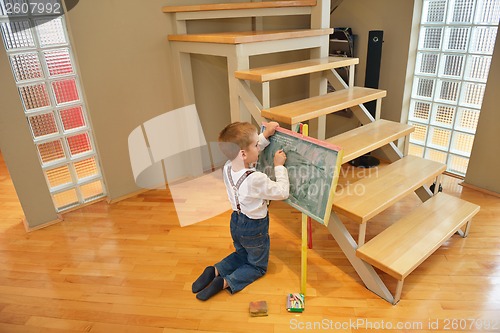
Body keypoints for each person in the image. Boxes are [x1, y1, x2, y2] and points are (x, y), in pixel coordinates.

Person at [192, 121, 289, 301]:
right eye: (256, 145)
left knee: (241, 253)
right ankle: (224, 282)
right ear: (244, 153)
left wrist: (266, 134)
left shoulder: (228, 167)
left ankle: (215, 270)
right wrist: (279, 166)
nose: (258, 147)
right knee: (257, 266)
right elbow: (282, 192)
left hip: (236, 222)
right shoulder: (256, 179)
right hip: (254, 227)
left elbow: (245, 150)